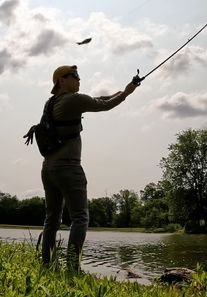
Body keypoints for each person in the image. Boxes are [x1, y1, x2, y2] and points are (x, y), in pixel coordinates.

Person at [39, 65, 139, 271]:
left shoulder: (51, 103)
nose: (79, 79)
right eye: (74, 76)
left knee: (52, 219)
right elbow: (104, 105)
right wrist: (127, 94)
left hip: (49, 169)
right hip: (69, 168)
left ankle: (47, 264)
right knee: (80, 217)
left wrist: (124, 89)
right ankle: (73, 268)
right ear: (61, 81)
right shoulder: (72, 100)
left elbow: (98, 98)